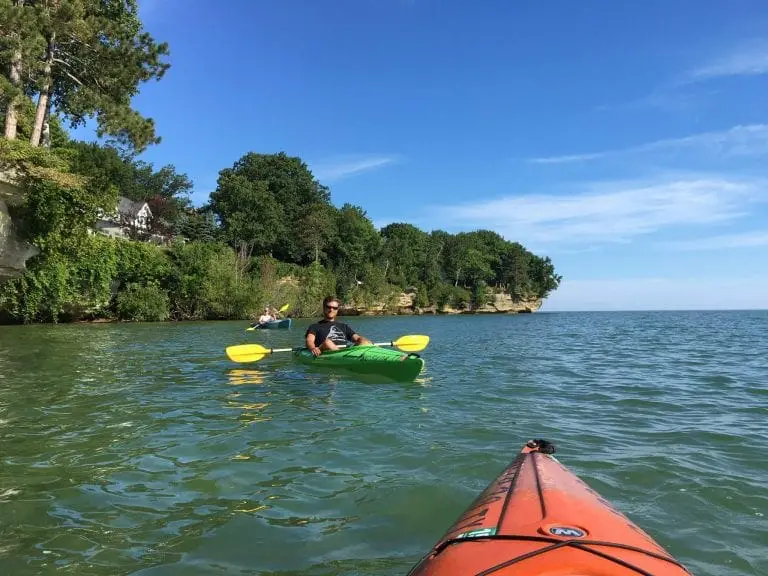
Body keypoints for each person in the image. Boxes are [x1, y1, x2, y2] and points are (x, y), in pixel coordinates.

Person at [305, 295, 372, 356]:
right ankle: (343, 357)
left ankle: (374, 353)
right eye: (329, 307)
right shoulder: (315, 326)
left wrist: (364, 341)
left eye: (334, 308)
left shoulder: (344, 326)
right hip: (325, 351)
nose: (331, 310)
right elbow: (309, 341)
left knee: (363, 340)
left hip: (344, 352)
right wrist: (313, 348)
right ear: (324, 307)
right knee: (327, 342)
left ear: (337, 310)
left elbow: (357, 338)